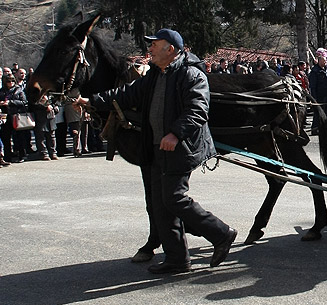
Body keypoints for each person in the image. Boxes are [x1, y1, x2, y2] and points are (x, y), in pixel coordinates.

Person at [79, 28, 236, 275]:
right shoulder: (155, 75)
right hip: (155, 147)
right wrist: (93, 101)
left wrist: (175, 133)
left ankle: (221, 233)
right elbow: (126, 93)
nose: (149, 49)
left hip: (181, 146)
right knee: (160, 203)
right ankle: (177, 259)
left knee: (174, 198)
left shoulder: (191, 74)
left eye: (154, 45)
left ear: (170, 49)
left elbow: (197, 110)